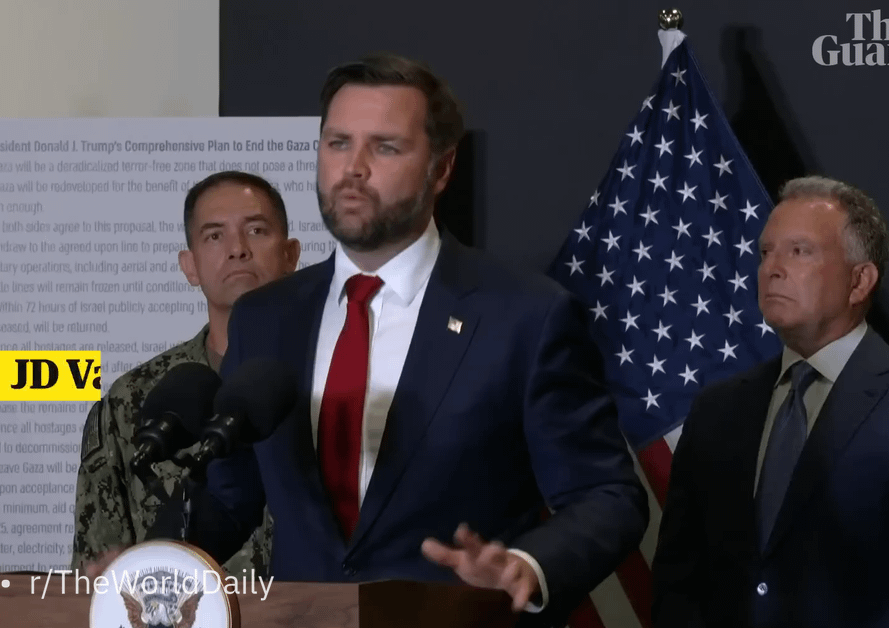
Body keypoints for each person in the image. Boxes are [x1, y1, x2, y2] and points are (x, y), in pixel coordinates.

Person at [148, 53, 648, 627]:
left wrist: (527, 565)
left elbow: (607, 495)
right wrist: (144, 565)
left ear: (441, 168)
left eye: (384, 147)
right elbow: (229, 497)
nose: (353, 169)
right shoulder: (265, 317)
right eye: (338, 143)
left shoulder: (525, 315)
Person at [651, 175, 889, 627]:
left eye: (799, 251)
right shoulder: (716, 409)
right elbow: (678, 577)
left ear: (859, 281)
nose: (772, 269)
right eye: (766, 252)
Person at [70, 170, 300, 578]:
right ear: (190, 266)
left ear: (290, 255)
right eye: (214, 236)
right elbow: (97, 566)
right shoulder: (134, 400)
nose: (237, 249)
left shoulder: (331, 381)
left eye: (256, 230)